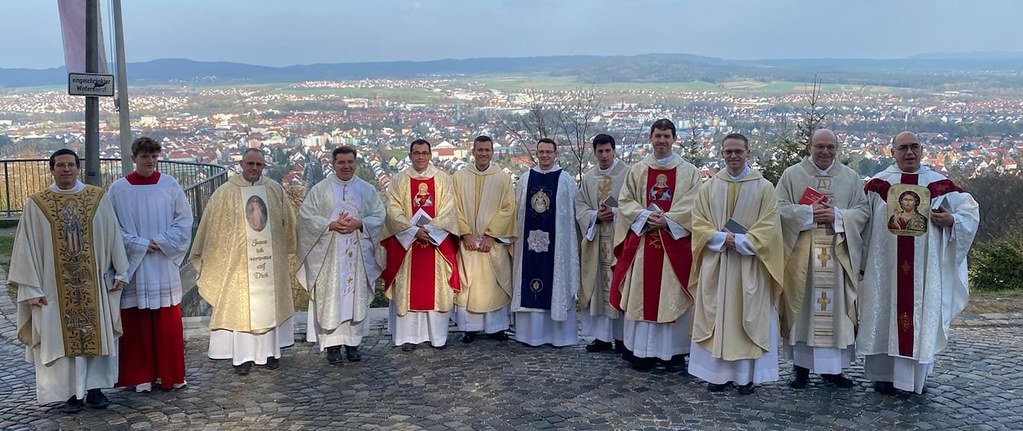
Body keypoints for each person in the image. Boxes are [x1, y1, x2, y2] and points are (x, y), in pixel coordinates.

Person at [859, 131, 980, 394]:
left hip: (923, 273)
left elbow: (970, 212)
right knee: (884, 315)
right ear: (892, 152)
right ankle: (882, 376)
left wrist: (952, 220)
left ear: (923, 150)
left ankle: (913, 380)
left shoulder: (938, 185)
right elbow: (861, 221)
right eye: (903, 147)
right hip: (885, 271)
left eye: (914, 147)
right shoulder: (878, 186)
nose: (909, 152)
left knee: (918, 319)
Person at [9, 149, 129, 413]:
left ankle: (95, 390)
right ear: (52, 169)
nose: (66, 169)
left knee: (97, 335)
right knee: (58, 338)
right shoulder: (37, 204)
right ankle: (69, 394)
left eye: (71, 165)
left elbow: (113, 235)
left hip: (94, 284)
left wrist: (121, 271)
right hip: (52, 288)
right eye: (60, 165)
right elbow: (25, 250)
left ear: (78, 168)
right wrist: (31, 289)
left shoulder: (97, 198)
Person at [689, 133, 785, 395]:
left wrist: (742, 241)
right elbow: (698, 222)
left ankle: (745, 377)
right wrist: (722, 238)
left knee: (748, 317)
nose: (733, 156)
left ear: (748, 153)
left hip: (750, 265)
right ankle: (717, 376)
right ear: (721, 153)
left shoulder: (764, 187)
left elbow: (770, 227)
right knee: (717, 318)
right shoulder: (709, 187)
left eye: (738, 151)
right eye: (728, 151)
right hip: (718, 264)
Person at [189, 148, 296, 375]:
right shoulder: (225, 193)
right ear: (241, 164)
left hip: (269, 262)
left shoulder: (274, 189)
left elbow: (287, 224)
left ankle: (270, 353)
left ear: (264, 165)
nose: (254, 168)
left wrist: (286, 250)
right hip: (238, 265)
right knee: (240, 308)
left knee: (269, 304)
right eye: (250, 163)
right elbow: (212, 228)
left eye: (259, 164)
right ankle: (243, 358)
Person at [776, 129, 869, 389]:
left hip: (838, 257)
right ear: (810, 147)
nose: (825, 152)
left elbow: (863, 211)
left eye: (830, 147)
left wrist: (838, 215)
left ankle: (832, 370)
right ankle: (801, 369)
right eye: (819, 146)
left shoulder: (850, 177)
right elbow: (778, 208)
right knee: (803, 310)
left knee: (836, 313)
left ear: (837, 149)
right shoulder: (792, 175)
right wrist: (807, 213)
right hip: (803, 258)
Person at [610, 120, 702, 371]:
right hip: (643, 245)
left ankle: (672, 354)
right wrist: (645, 216)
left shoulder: (689, 172)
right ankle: (641, 352)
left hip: (674, 248)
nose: (662, 140)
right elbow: (625, 201)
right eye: (658, 136)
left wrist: (668, 220)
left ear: (674, 139)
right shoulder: (638, 170)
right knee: (641, 294)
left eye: (666, 136)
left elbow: (695, 204)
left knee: (671, 296)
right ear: (650, 138)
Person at [108, 136, 193, 392]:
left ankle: (170, 374)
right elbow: (112, 228)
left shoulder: (169, 185)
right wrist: (140, 244)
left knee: (166, 323)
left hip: (162, 262)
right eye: (145, 156)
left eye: (154, 156)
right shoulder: (119, 189)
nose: (150, 161)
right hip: (135, 265)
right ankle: (140, 376)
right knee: (136, 322)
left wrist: (161, 241)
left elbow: (184, 221)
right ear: (134, 158)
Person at [298, 146, 386, 364]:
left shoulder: (367, 189)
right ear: (333, 164)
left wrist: (360, 223)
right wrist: (329, 225)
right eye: (341, 162)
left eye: (350, 162)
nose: (346, 166)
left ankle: (353, 344)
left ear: (356, 163)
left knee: (355, 299)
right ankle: (333, 346)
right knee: (332, 298)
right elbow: (305, 217)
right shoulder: (320, 190)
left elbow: (379, 215)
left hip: (358, 255)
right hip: (330, 256)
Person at [381, 139, 464, 351]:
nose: (420, 157)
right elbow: (392, 210)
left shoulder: (443, 180)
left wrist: (429, 231)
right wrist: (413, 231)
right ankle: (409, 338)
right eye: (416, 153)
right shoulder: (399, 180)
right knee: (408, 290)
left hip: (435, 245)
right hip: (408, 247)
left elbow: (449, 210)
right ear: (410, 155)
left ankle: (437, 338)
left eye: (424, 153)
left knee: (436, 290)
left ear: (430, 155)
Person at [510, 138, 580, 347]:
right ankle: (529, 336)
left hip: (557, 247)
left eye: (549, 152)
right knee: (529, 280)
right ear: (536, 153)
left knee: (555, 281)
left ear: (556, 154)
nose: (545, 155)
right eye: (541, 152)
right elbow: (517, 212)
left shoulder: (566, 180)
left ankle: (559, 337)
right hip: (528, 244)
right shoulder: (525, 179)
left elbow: (573, 216)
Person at [452, 135, 517, 343]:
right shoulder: (459, 177)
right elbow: (453, 207)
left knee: (494, 285)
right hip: (469, 243)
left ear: (493, 152)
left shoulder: (502, 178)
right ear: (473, 151)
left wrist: (491, 235)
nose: (483, 153)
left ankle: (496, 328)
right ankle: (469, 327)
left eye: (487, 150)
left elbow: (509, 209)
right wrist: (465, 233)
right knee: (469, 286)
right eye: (479, 149)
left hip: (492, 244)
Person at [575, 134, 629, 354]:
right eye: (600, 151)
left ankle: (623, 338)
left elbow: (635, 205)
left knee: (620, 287)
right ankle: (602, 337)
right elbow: (580, 206)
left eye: (608, 151)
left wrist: (615, 212)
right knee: (598, 289)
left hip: (620, 242)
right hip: (597, 241)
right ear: (594, 152)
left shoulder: (628, 174)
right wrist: (595, 216)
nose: (604, 155)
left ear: (614, 151)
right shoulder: (589, 177)